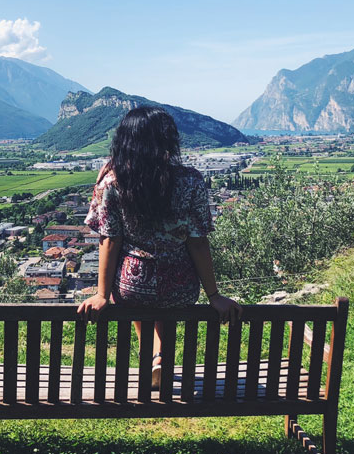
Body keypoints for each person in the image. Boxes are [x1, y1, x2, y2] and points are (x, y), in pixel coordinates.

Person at [76, 106, 242, 388]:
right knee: (166, 297)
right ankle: (161, 355)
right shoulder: (191, 181)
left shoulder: (113, 180)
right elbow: (198, 240)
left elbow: (110, 238)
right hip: (180, 282)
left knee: (140, 297)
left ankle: (152, 354)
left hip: (132, 282)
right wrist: (214, 295)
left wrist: (102, 294)